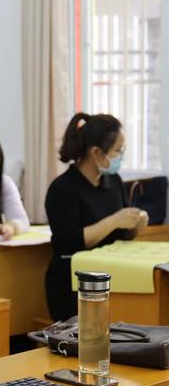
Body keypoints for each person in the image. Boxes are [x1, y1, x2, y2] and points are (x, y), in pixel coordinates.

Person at [45, 112, 149, 321]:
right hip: (72, 283)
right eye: (117, 151)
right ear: (96, 153)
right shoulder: (63, 188)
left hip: (113, 277)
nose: (121, 156)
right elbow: (70, 242)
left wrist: (136, 224)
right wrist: (113, 221)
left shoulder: (113, 182)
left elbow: (121, 236)